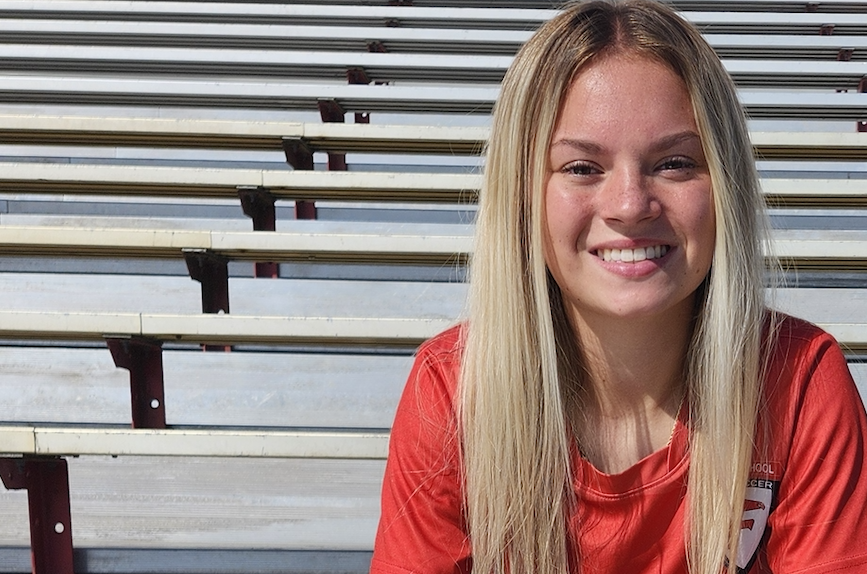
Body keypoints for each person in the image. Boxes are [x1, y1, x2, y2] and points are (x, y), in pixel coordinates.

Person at [370, 1, 867, 573]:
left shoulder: (798, 381)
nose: (630, 205)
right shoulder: (454, 394)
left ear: (724, 186)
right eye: (582, 168)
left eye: (674, 163)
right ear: (522, 196)